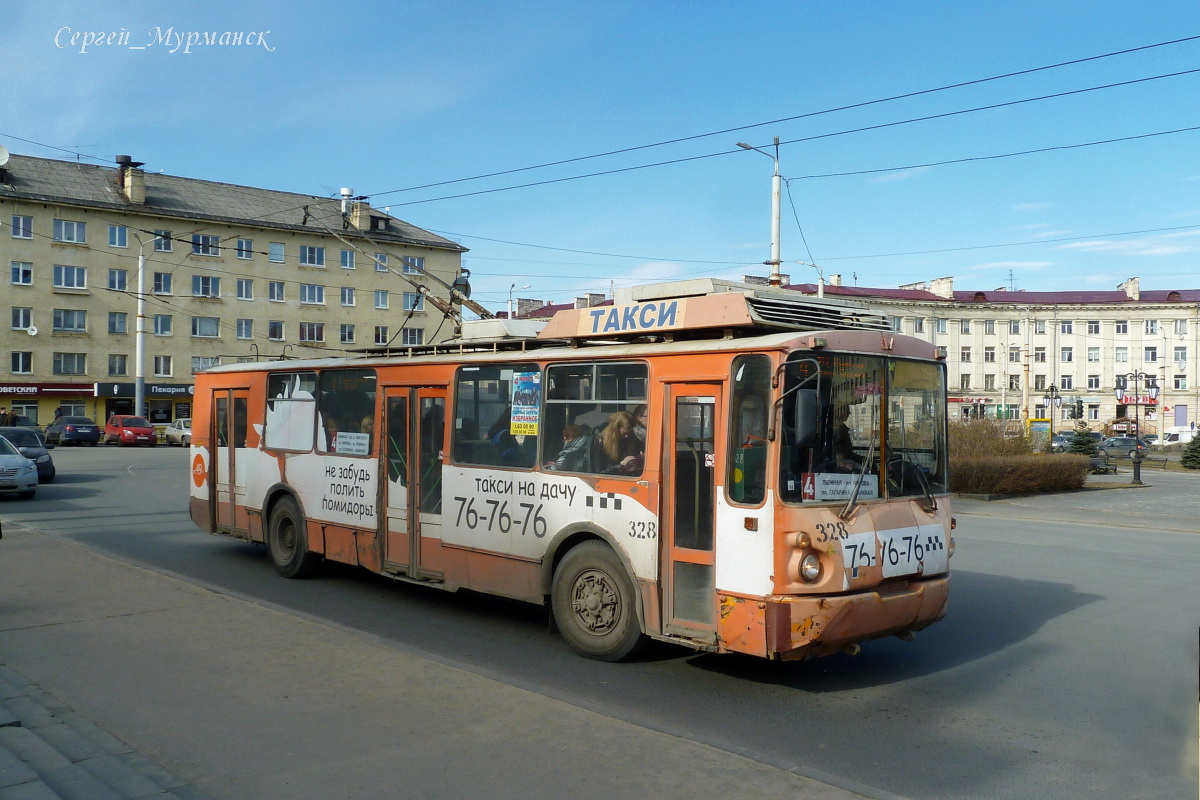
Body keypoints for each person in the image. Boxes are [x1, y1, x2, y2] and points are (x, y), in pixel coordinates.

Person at [597, 411, 643, 475]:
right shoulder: (601, 442)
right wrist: (621, 465)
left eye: (629, 433)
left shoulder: (631, 439)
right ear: (615, 429)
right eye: (624, 433)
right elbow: (599, 472)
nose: (627, 436)